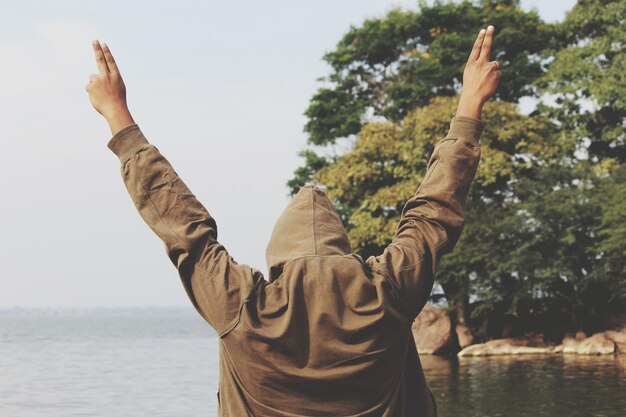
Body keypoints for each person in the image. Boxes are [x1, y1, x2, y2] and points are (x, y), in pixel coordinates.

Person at [87, 25, 501, 417]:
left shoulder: (243, 308)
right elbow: (434, 214)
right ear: (342, 248)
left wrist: (119, 120)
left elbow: (183, 226)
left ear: (278, 253)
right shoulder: (387, 294)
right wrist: (469, 107)